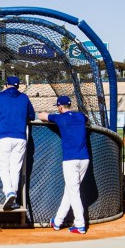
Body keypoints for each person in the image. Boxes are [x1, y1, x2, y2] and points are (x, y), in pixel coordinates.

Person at [37, 95, 90, 234]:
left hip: (70, 160)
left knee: (74, 192)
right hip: (84, 158)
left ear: (60, 107)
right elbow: (87, 119)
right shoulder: (80, 116)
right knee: (70, 191)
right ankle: (57, 221)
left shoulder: (59, 117)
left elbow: (41, 116)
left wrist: (48, 115)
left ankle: (80, 224)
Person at [0, 74, 35, 210]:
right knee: (15, 169)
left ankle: (9, 192)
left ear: (7, 85)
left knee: (3, 167)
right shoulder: (24, 97)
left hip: (5, 136)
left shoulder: (1, 96)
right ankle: (13, 197)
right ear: (18, 86)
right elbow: (32, 115)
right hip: (21, 137)